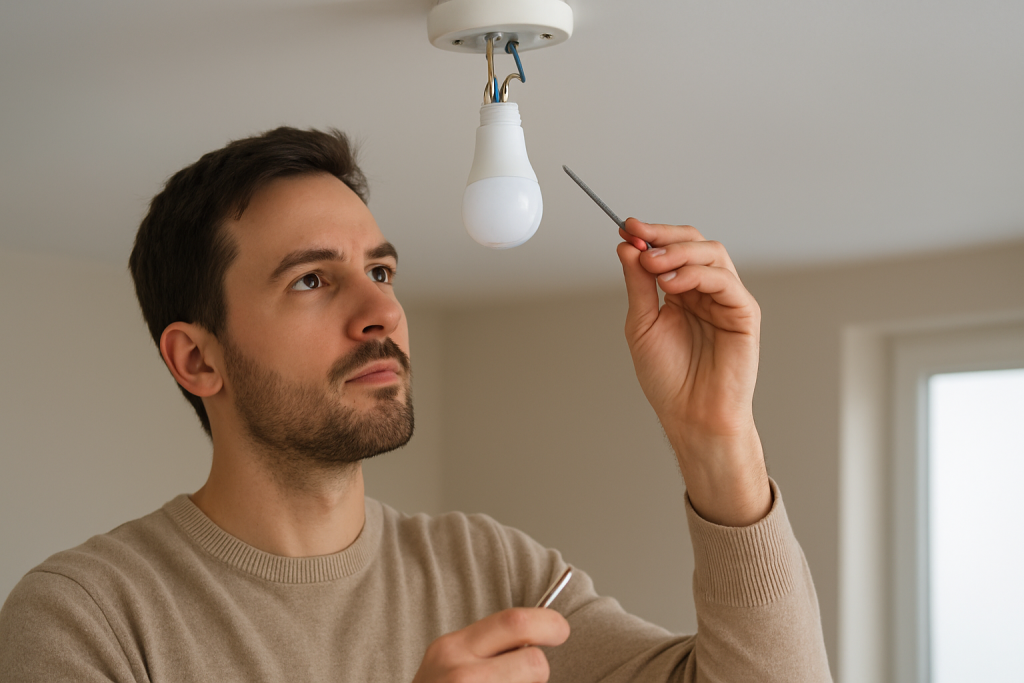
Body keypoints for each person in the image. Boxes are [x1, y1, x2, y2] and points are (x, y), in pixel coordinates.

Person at [0, 127, 831, 681]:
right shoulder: (86, 618)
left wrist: (718, 437)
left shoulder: (496, 571)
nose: (381, 312)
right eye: (312, 279)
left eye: (383, 271)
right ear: (197, 358)